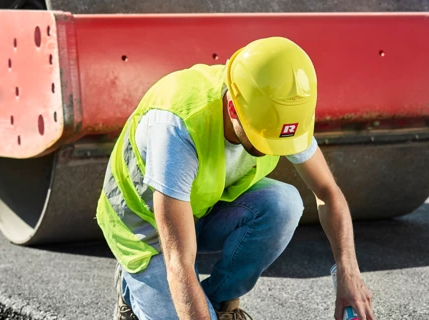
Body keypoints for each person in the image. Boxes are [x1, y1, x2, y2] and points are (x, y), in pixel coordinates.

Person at [96, 37, 374, 320]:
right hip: (145, 226)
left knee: (284, 204)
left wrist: (347, 273)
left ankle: (218, 302)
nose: (273, 150)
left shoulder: (277, 112)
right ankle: (132, 289)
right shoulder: (177, 126)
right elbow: (178, 262)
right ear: (233, 109)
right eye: (264, 140)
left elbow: (328, 192)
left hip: (202, 206)